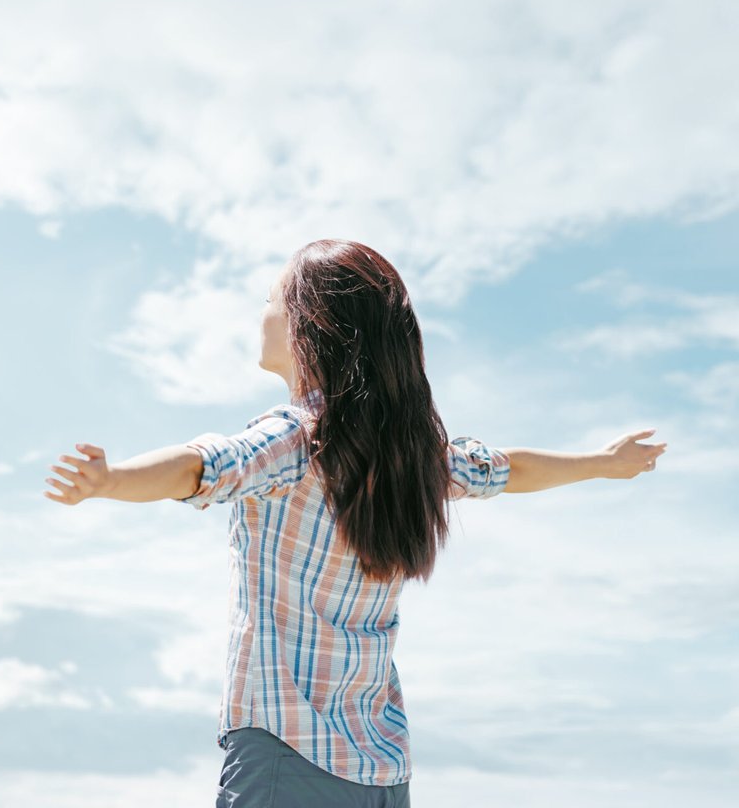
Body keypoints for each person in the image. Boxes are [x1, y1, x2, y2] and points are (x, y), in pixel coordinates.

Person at [43, 238, 666, 807]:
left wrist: (111, 481)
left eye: (270, 300)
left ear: (308, 328)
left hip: (286, 754)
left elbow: (204, 466)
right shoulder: (415, 456)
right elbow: (509, 469)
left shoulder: (295, 438)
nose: (259, 313)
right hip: (382, 772)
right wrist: (604, 464)